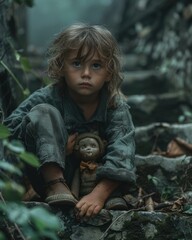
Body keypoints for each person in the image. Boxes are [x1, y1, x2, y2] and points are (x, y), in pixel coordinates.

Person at [3, 23, 136, 219]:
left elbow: (122, 151)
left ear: (109, 72)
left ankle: (110, 194)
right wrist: (54, 146)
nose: (86, 73)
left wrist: (99, 195)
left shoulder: (114, 106)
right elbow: (8, 131)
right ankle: (55, 185)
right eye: (76, 63)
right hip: (50, 176)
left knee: (121, 142)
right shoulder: (48, 96)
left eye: (96, 65)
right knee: (43, 112)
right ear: (61, 66)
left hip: (98, 179)